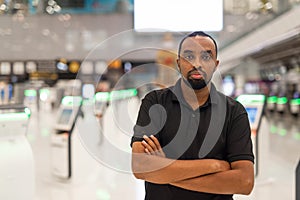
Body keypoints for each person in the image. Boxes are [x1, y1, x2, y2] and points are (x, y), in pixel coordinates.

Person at [131, 31, 254, 200]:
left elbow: (244, 182)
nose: (197, 64)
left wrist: (164, 172)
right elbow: (140, 166)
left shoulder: (234, 112)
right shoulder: (155, 103)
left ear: (216, 64)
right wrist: (214, 165)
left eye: (206, 57)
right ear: (179, 63)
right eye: (189, 56)